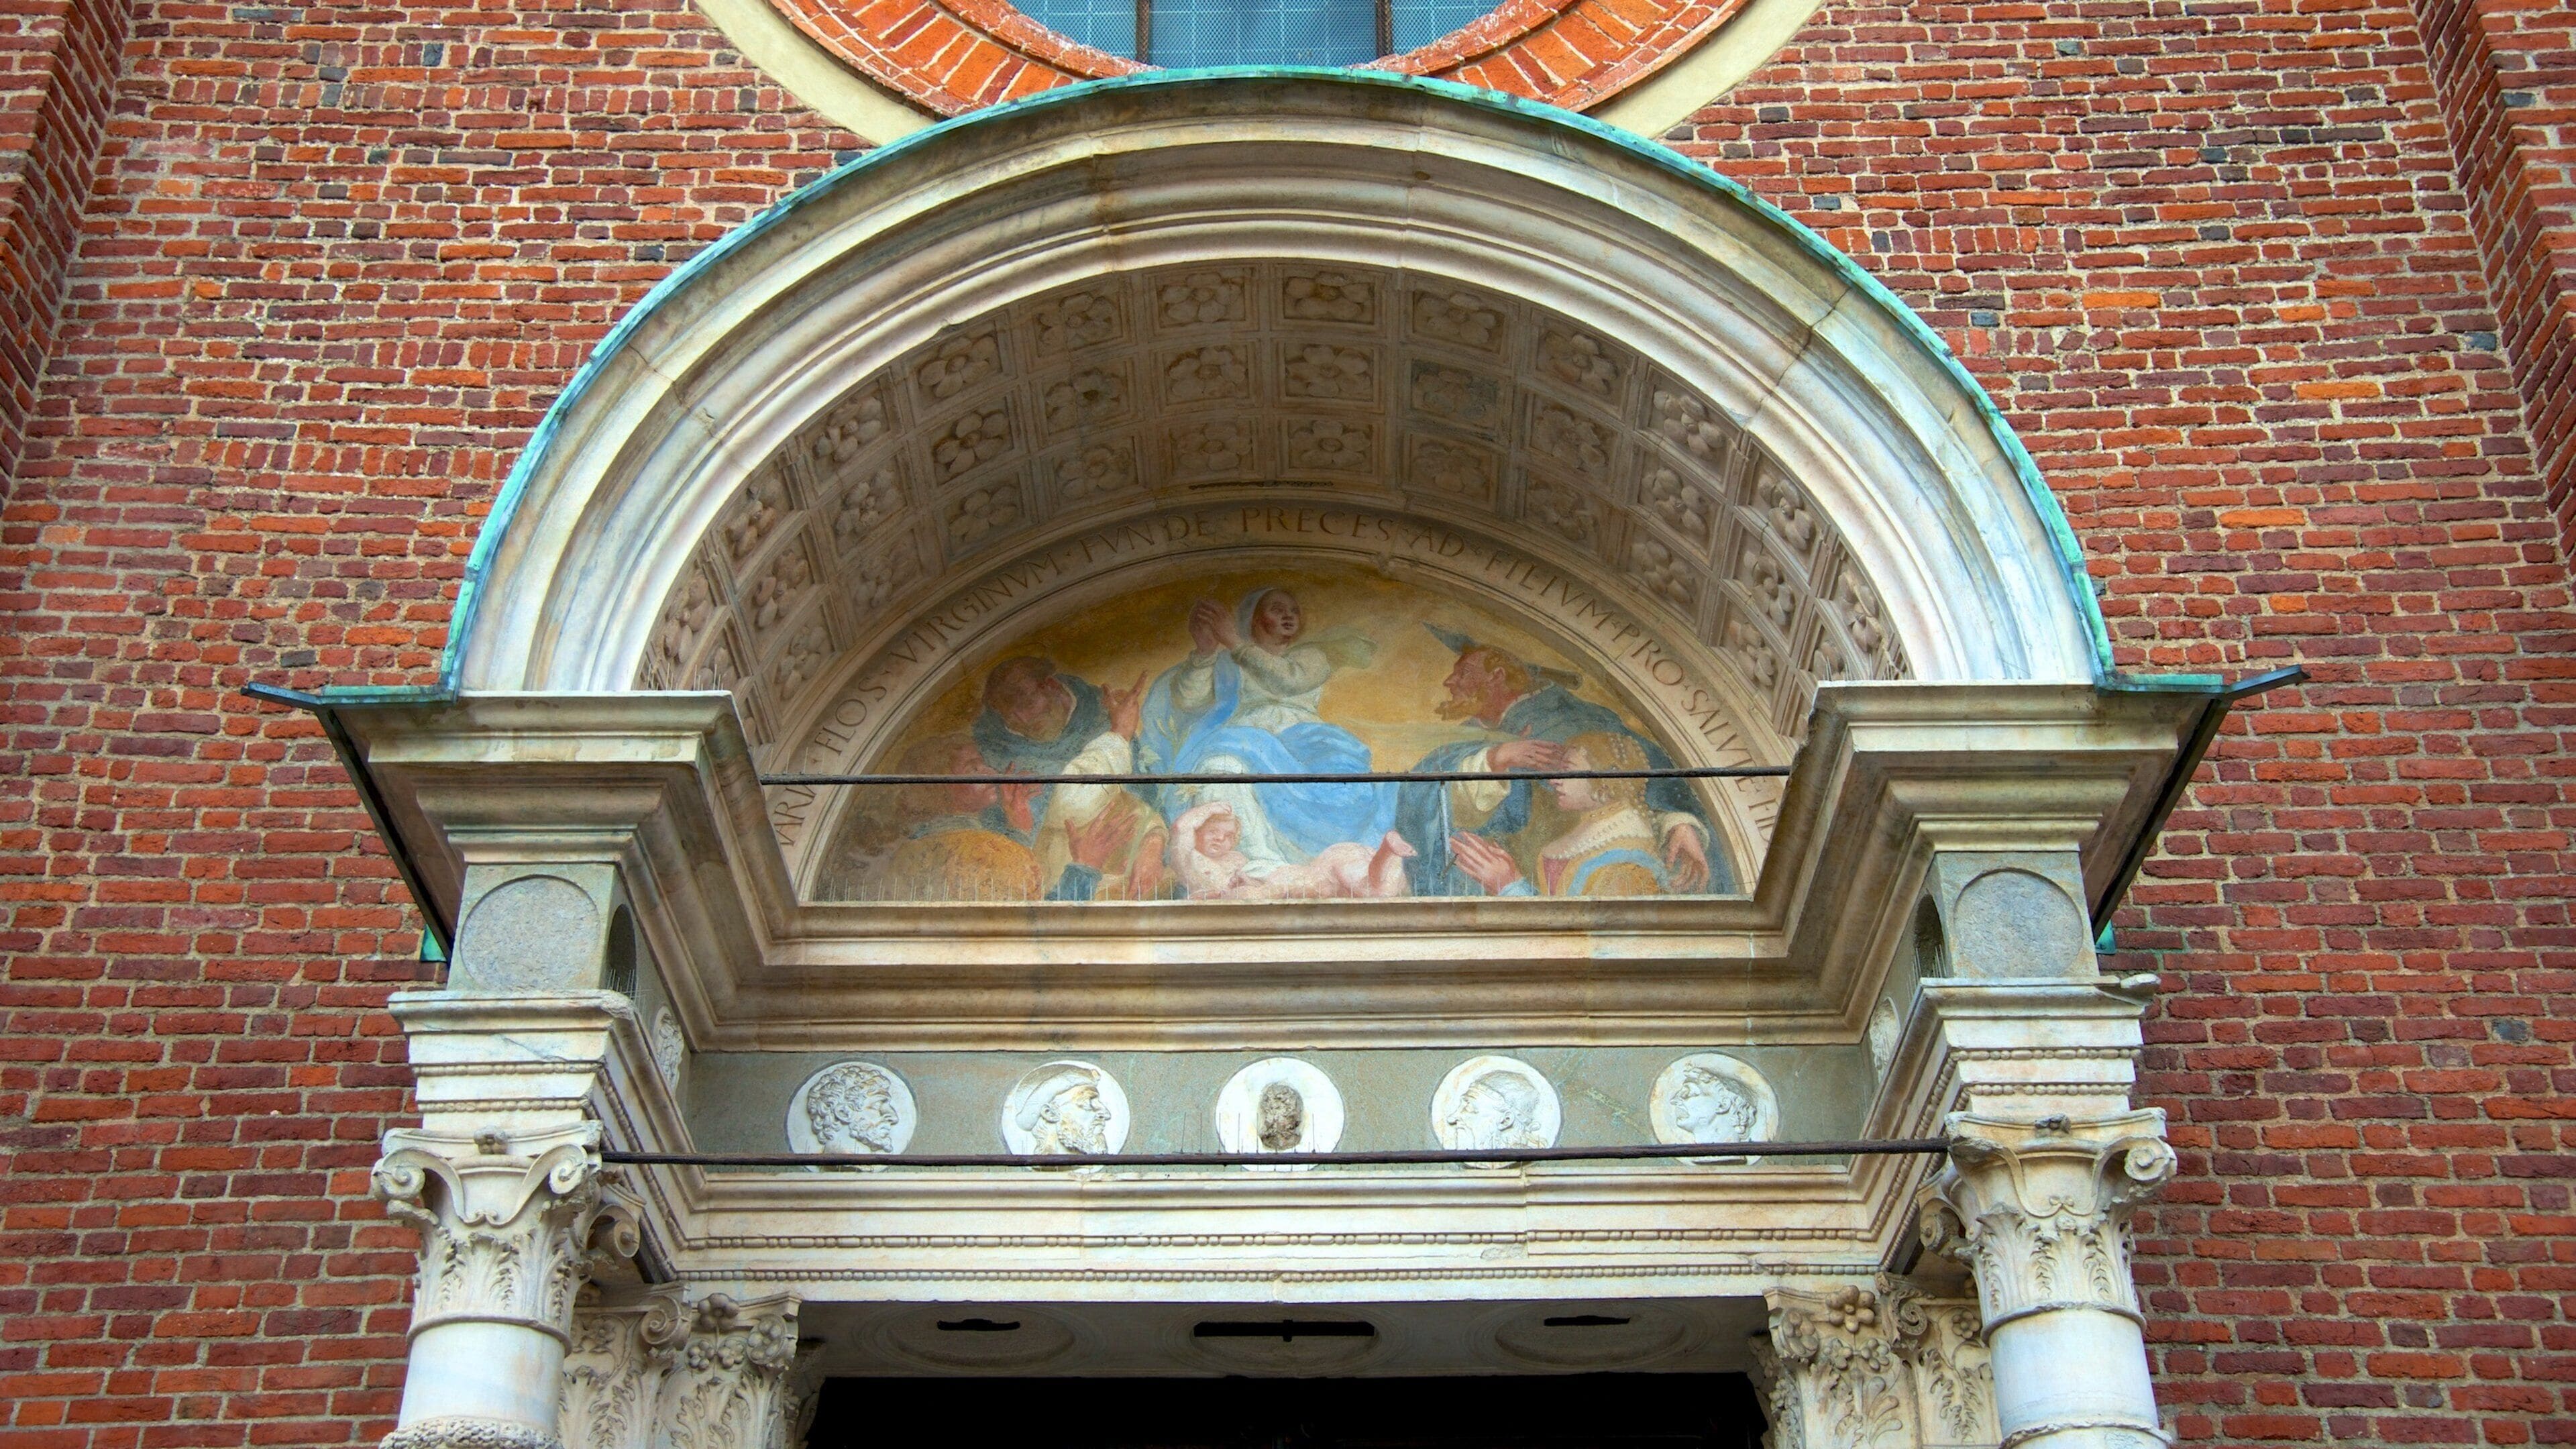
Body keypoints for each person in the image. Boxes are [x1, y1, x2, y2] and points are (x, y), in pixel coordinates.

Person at [1395, 627, 1727, 896]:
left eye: (1463, 673)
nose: (1449, 683)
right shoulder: (1467, 738)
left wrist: (1679, 821)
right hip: (1508, 884)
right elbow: (1428, 799)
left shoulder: (1571, 719)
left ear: (1496, 676)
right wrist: (1496, 758)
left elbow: (1636, 770)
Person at [1138, 586, 1395, 868]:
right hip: (1246, 738)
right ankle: (1256, 861)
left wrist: (1235, 643)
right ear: (1256, 619)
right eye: (1277, 609)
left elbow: (1288, 681)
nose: (1289, 615)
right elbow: (1189, 700)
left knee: (1347, 789)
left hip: (1306, 741)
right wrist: (1206, 652)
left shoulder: (1312, 656)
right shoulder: (1228, 662)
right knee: (1219, 767)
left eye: (1294, 610)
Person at [974, 655, 1165, 900]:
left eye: (1027, 703)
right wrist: (1118, 736)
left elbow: (1142, 798)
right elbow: (1068, 806)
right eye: (1009, 714)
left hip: (1120, 870)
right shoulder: (1000, 751)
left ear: (1052, 686)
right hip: (1055, 881)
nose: (1022, 720)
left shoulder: (1103, 714)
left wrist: (1152, 843)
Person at [1446, 732, 1671, 898]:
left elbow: (1585, 940)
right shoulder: (1591, 832)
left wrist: (1510, 885)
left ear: (1604, 779)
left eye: (1568, 770)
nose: (1554, 780)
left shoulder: (1627, 861)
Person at [1167, 800, 1414, 900]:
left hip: (1312, 874)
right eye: (1213, 832)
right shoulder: (1191, 863)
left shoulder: (1238, 860)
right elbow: (1179, 828)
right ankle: (1386, 853)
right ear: (1197, 833)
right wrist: (1208, 809)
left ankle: (1386, 852)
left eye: (1229, 836)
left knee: (1376, 890)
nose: (1221, 839)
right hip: (1313, 879)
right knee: (1379, 890)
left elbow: (1260, 887)